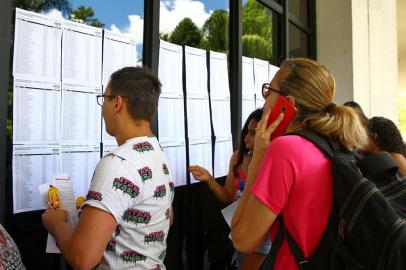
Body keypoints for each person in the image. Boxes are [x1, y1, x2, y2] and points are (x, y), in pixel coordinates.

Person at [231, 58, 368, 270]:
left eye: (270, 90)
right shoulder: (337, 145)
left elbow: (242, 239)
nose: (264, 96)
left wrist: (258, 156)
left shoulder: (286, 149)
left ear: (288, 104)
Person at [42, 67, 174, 270]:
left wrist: (55, 224)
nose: (102, 107)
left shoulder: (118, 163)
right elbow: (166, 217)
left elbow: (83, 258)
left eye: (104, 98)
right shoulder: (156, 153)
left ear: (118, 103)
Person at [190, 108, 271, 270]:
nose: (247, 138)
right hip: (238, 232)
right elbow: (228, 197)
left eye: (254, 133)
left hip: (262, 237)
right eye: (247, 132)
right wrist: (210, 180)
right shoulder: (237, 158)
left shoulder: (273, 163)